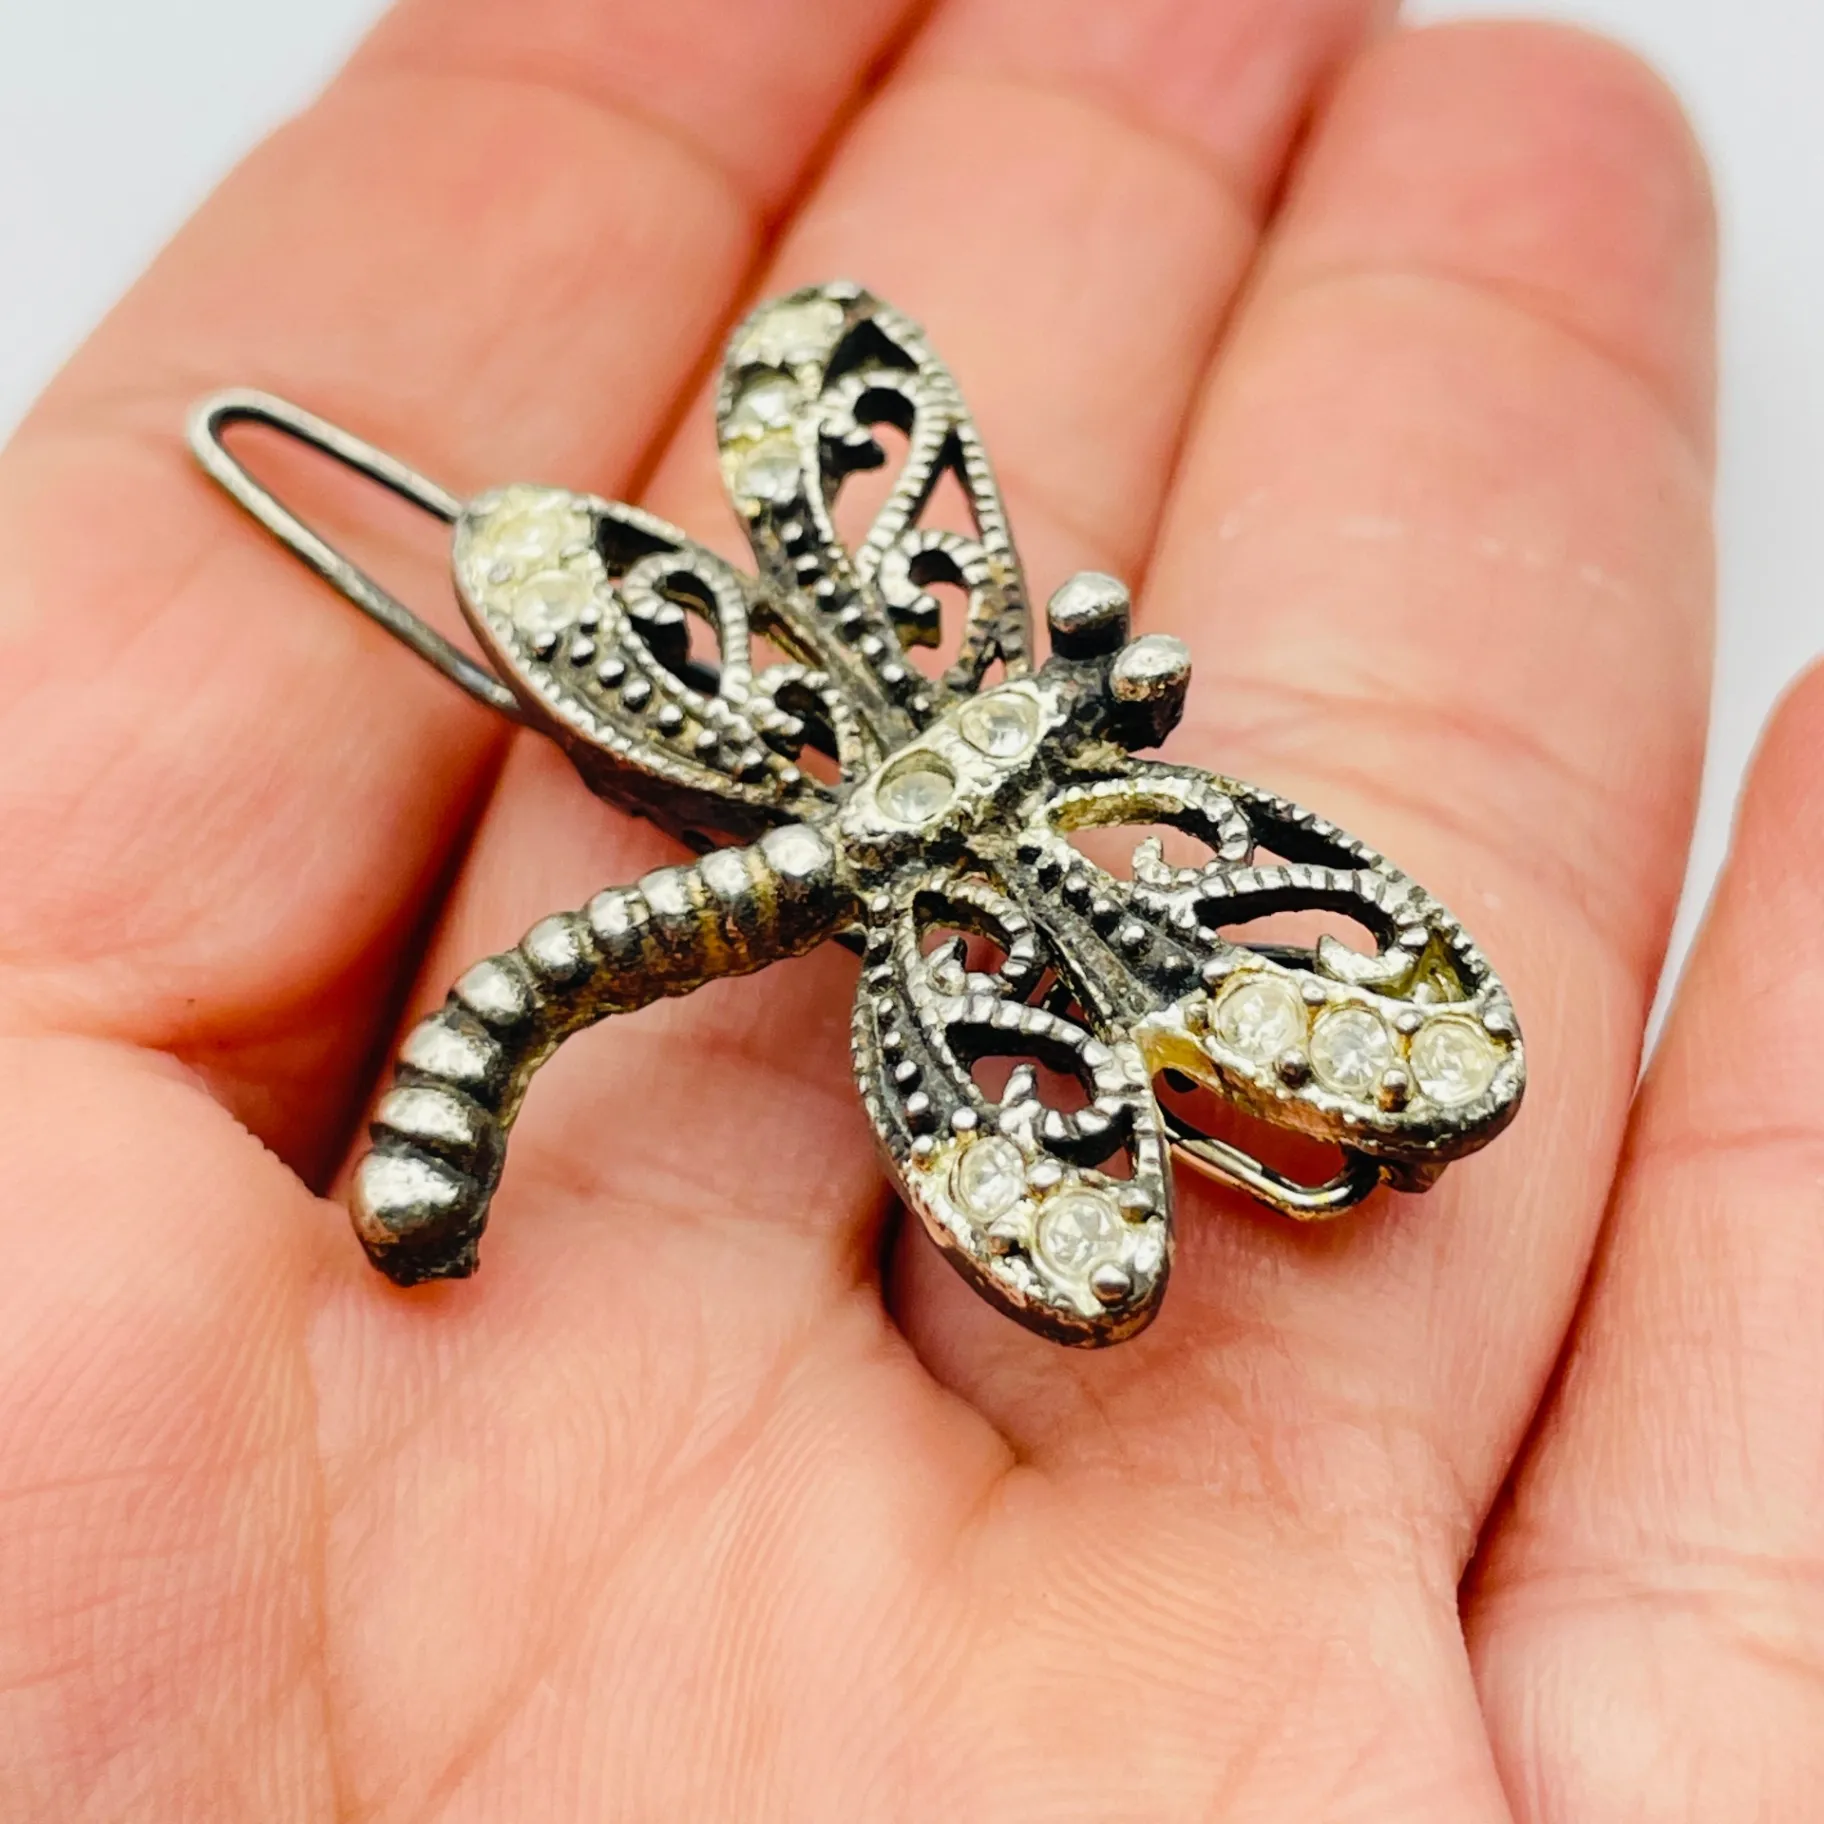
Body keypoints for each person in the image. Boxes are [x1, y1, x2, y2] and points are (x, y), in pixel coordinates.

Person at [1, 0, 1812, 1816]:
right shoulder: (1100, 826)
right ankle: (482, 1091)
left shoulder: (925, 700)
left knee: (577, 973)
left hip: (761, 843)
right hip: (828, 870)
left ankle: (469, 1085)